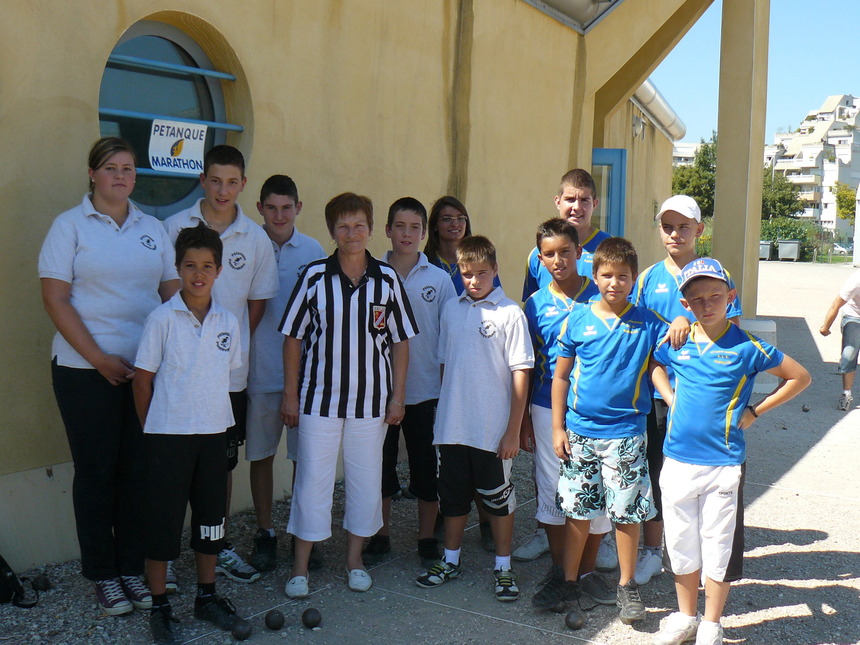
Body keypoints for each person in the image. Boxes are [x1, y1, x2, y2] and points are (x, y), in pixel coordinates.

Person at [39, 137, 178, 615]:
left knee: (137, 472)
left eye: (129, 169)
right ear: (93, 174)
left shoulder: (153, 228)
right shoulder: (69, 227)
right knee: (97, 474)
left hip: (143, 373)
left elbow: (171, 294)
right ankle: (103, 574)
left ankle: (133, 567)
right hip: (85, 372)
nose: (121, 176)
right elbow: (55, 299)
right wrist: (99, 358)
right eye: (111, 168)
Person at [651, 258, 810, 645]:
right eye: (697, 299)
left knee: (718, 545)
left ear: (730, 298)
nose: (707, 305)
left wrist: (756, 410)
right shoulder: (680, 339)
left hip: (722, 463)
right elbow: (655, 365)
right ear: (685, 304)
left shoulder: (747, 347)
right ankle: (686, 616)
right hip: (676, 460)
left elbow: (800, 376)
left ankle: (711, 623)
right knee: (682, 543)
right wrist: (671, 398)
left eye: (715, 297)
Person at [280, 192, 418, 598]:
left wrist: (398, 397)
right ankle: (301, 566)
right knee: (312, 482)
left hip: (371, 404)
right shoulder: (313, 278)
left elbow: (400, 343)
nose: (352, 233)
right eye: (343, 226)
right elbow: (293, 338)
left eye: (359, 225)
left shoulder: (387, 280)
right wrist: (290, 395)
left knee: (364, 482)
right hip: (318, 401)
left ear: (371, 229)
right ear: (331, 231)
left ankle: (355, 560)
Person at [165, 145, 278, 585]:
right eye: (215, 180)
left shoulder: (255, 239)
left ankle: (217, 543)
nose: (223, 189)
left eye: (232, 181)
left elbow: (254, 307)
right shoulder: (174, 228)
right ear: (202, 180)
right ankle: (167, 553)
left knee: (221, 466)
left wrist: (221, 348)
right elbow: (167, 294)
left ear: (243, 185)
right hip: (178, 374)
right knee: (175, 466)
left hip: (230, 376)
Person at [134, 223, 247, 645]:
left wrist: (225, 430)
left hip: (212, 436)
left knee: (211, 519)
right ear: (178, 268)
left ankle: (207, 595)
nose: (198, 274)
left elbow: (227, 376)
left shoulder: (227, 321)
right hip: (168, 437)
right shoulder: (162, 320)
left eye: (207, 266)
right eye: (189, 266)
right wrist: (153, 428)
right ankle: (160, 604)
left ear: (218, 270)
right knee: (163, 521)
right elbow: (141, 380)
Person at [552, 238, 666, 628]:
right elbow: (561, 375)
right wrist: (557, 427)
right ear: (594, 275)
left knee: (626, 512)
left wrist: (683, 320)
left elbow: (667, 353)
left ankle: (627, 583)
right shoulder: (578, 318)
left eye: (623, 276)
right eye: (606, 275)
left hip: (627, 435)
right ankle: (569, 581)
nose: (614, 283)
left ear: (634, 278)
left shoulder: (648, 322)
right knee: (577, 513)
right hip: (580, 432)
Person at [630, 194, 743, 587]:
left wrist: (687, 318)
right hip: (660, 397)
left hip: (707, 401)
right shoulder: (646, 278)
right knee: (658, 474)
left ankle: (705, 561)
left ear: (699, 229)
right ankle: (652, 550)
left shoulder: (715, 275)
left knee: (710, 482)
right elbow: (637, 330)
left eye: (683, 226)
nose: (675, 233)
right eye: (667, 226)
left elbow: (731, 334)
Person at [415, 235, 534, 602]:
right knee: (452, 499)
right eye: (467, 274)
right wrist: (444, 417)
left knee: (498, 500)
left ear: (495, 270)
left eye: (482, 273)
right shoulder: (451, 309)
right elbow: (445, 365)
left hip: (491, 430)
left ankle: (503, 566)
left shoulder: (510, 313)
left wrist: (512, 430)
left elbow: (521, 373)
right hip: (452, 428)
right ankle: (451, 561)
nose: (474, 281)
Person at [518, 220, 616, 610]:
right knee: (555, 496)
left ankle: (586, 575)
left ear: (580, 252)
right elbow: (525, 365)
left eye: (565, 251)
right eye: (549, 254)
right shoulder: (534, 304)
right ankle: (561, 575)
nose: (558, 260)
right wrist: (524, 418)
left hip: (595, 414)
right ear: (539, 259)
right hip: (545, 410)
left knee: (598, 500)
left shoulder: (604, 295)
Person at [361, 198, 456, 567]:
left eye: (414, 228)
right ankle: (380, 535)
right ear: (387, 230)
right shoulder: (372, 273)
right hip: (376, 390)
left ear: (423, 233)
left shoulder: (438, 279)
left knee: (424, 468)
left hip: (426, 388)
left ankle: (425, 539)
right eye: (399, 226)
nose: (406, 234)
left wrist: (448, 387)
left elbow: (448, 336)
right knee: (380, 467)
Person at [243, 175, 325, 573]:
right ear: (259, 208)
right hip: (257, 372)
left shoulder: (313, 251)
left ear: (298, 208)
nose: (279, 215)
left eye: (286, 207)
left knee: (302, 459)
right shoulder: (245, 244)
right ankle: (265, 533)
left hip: (304, 378)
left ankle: (301, 533)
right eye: (271, 207)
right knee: (260, 456)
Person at [424, 196, 499, 549]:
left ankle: (487, 519)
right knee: (448, 455)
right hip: (439, 365)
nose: (454, 224)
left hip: (476, 371)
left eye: (460, 218)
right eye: (445, 218)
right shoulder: (427, 265)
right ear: (434, 225)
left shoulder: (478, 263)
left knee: (480, 452)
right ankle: (444, 516)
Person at [522, 168, 610, 301]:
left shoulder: (610, 248)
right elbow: (533, 307)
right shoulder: (537, 255)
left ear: (595, 204)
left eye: (584, 200)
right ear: (558, 202)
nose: (576, 207)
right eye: (570, 199)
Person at [819, 267, 860, 410]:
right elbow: (836, 304)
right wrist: (826, 327)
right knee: (849, 354)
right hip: (854, 317)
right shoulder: (856, 280)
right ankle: (846, 394)